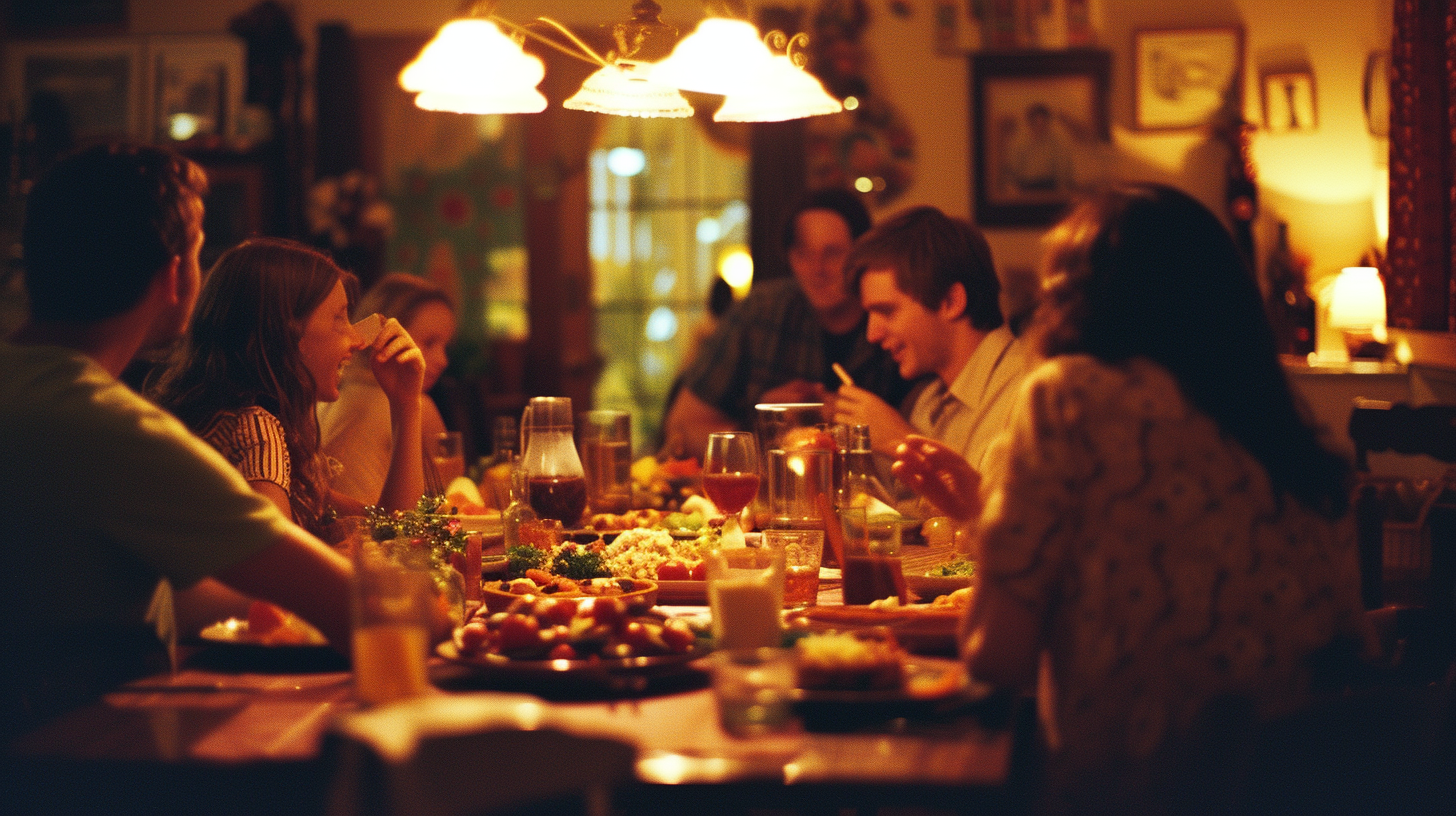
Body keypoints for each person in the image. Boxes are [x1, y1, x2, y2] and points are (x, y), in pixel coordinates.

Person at [892, 183, 1369, 811]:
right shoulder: (1280, 417)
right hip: (1309, 788)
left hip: (1139, 789)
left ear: (1072, 302)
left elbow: (994, 659)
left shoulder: (1070, 398)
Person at [0, 143, 352, 738]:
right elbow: (348, 603)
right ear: (174, 275)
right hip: (78, 765)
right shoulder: (111, 429)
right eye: (198, 251)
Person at [151, 238, 427, 538]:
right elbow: (279, 579)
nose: (357, 340)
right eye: (339, 319)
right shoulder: (255, 429)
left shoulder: (239, 420)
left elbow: (395, 530)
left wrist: (406, 403)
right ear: (284, 332)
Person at [662, 188, 918, 456]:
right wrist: (768, 428)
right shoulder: (761, 312)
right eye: (804, 254)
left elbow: (928, 441)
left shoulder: (893, 320)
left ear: (860, 257)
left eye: (832, 253)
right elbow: (682, 426)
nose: (817, 269)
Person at [833, 206, 1034, 469]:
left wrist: (903, 444)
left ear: (951, 301)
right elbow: (896, 507)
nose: (872, 335)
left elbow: (1007, 509)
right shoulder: (927, 401)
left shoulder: (1030, 394)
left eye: (886, 311)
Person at [318, 273, 457, 505]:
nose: (443, 360)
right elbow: (449, 500)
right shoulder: (418, 404)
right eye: (429, 343)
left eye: (445, 345)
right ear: (386, 336)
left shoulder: (324, 397)